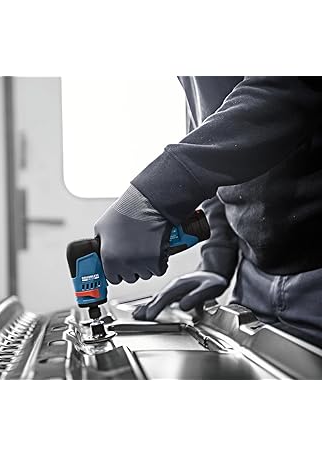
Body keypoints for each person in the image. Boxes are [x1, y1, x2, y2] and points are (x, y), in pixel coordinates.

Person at [94, 77, 322, 347]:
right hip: (253, 277)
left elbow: (288, 89)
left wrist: (150, 197)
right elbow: (217, 154)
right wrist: (216, 260)